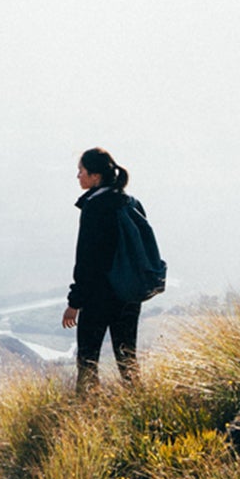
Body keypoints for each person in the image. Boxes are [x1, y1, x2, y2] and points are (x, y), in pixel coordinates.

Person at [62, 147, 142, 392]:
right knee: (127, 357)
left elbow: (87, 260)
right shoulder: (131, 202)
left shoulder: (94, 207)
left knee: (87, 361)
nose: (78, 176)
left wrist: (74, 303)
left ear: (95, 176)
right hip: (129, 293)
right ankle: (140, 402)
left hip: (99, 296)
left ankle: (86, 407)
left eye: (81, 171)